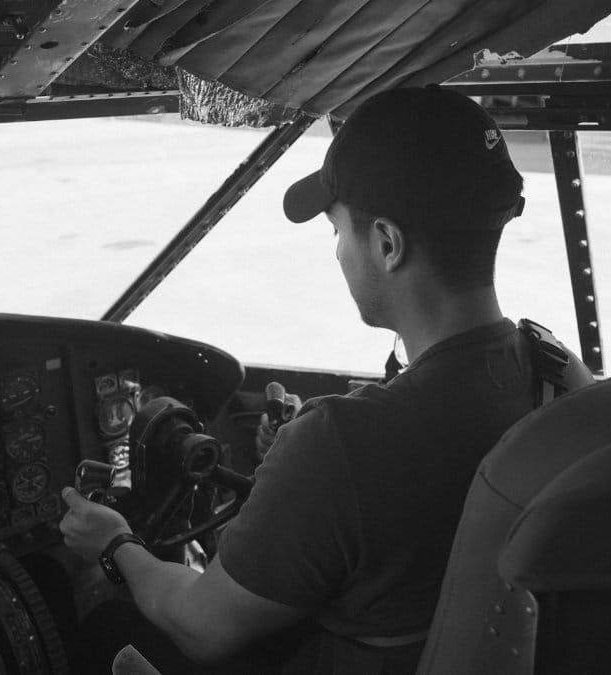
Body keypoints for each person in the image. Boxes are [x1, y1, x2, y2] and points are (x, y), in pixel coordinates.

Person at [60, 85, 539, 673]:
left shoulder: (344, 444)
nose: (337, 252)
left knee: (101, 616)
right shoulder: (554, 376)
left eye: (337, 231)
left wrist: (113, 543)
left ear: (387, 244)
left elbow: (200, 627)